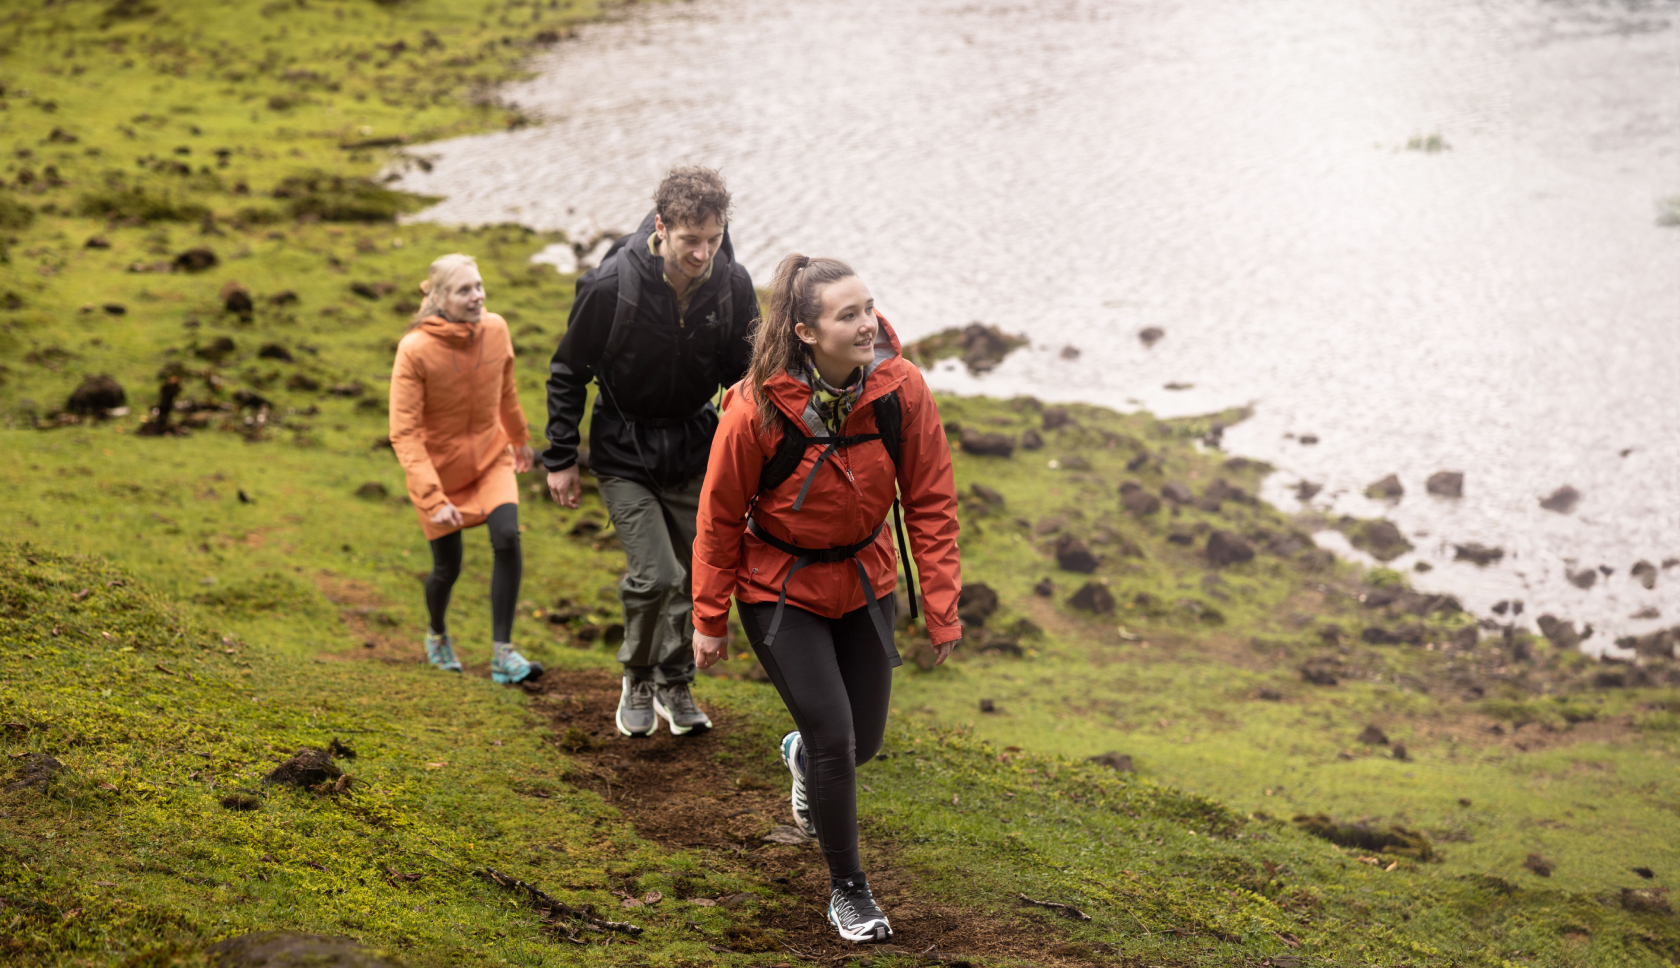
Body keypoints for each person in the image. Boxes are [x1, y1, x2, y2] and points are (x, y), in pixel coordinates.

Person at [690, 254, 962, 944]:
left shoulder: (901, 390)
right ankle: (850, 892)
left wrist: (941, 605)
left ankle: (803, 757)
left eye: (869, 308)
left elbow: (930, 500)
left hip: (867, 581)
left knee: (859, 741)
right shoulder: (754, 407)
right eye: (849, 315)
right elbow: (720, 517)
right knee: (838, 741)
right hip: (780, 590)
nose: (867, 324)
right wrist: (709, 618)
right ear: (807, 331)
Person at [543, 167, 759, 736]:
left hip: (694, 447)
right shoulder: (610, 286)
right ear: (662, 227)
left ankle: (675, 679)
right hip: (624, 451)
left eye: (713, 239)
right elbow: (568, 371)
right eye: (692, 241)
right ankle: (637, 675)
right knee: (657, 576)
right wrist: (561, 456)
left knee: (697, 574)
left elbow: (745, 380)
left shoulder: (732, 286)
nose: (703, 253)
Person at [390, 253, 544, 686]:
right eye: (464, 290)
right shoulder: (414, 349)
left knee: (508, 538)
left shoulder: (496, 329)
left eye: (479, 286)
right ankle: (437, 634)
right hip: (437, 471)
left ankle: (503, 654)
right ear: (439, 297)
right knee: (447, 568)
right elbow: (404, 433)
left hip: (491, 456)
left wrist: (519, 439)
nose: (477, 296)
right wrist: (432, 497)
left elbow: (507, 390)